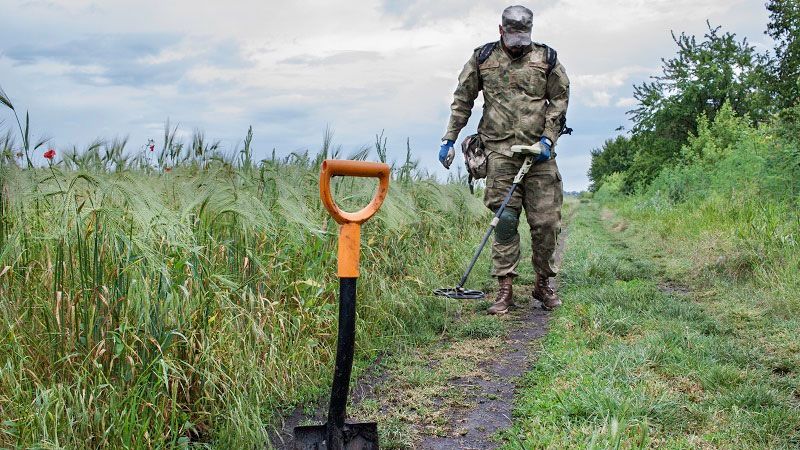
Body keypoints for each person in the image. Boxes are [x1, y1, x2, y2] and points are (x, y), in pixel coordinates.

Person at [438, 5, 570, 315]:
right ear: (501, 31)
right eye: (512, 38)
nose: (518, 44)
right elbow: (463, 100)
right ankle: (505, 287)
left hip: (539, 156)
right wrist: (449, 138)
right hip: (499, 152)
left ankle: (542, 283)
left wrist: (548, 138)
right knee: (506, 221)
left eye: (523, 38)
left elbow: (560, 100)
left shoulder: (547, 58)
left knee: (546, 224)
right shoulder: (482, 58)